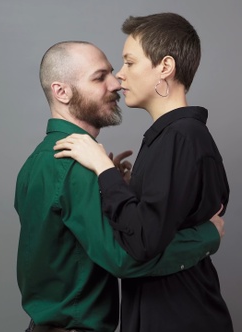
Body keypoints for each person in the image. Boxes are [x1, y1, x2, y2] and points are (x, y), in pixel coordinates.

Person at [15, 40, 226, 332]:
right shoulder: (77, 166)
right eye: (99, 77)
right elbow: (125, 259)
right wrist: (206, 237)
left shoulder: (37, 161)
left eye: (112, 73)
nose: (116, 83)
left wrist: (116, 188)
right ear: (61, 92)